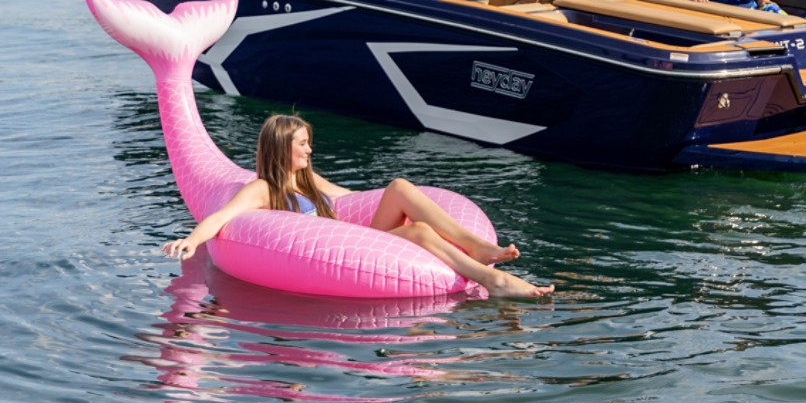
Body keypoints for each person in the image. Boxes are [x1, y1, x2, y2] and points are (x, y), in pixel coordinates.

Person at [162, 114, 555, 299]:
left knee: (400, 188)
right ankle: (493, 278)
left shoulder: (307, 181)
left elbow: (351, 199)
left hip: (357, 236)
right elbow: (221, 217)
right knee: (417, 231)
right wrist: (191, 240)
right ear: (282, 147)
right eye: (302, 144)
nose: (310, 150)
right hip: (337, 250)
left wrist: (383, 205)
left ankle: (485, 261)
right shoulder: (264, 189)